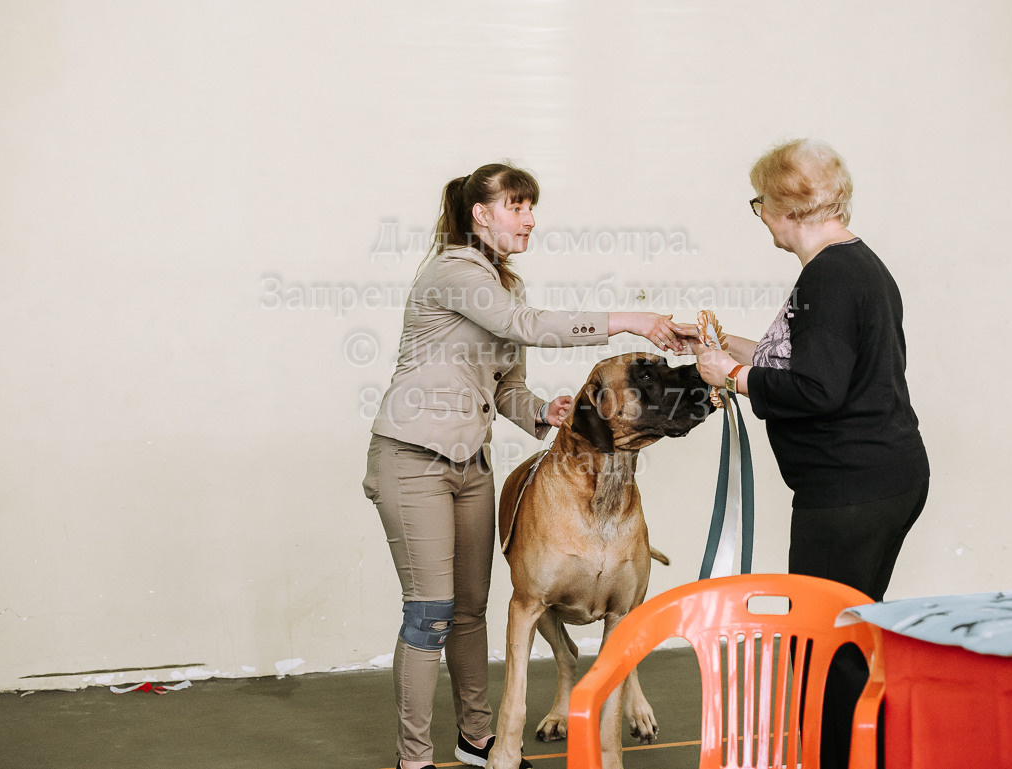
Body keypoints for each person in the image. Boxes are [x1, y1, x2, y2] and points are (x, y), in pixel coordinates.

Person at [362, 162, 690, 769]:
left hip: (471, 464)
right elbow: (527, 328)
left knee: (470, 612)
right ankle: (414, 758)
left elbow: (507, 386)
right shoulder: (453, 271)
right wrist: (631, 321)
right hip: (412, 460)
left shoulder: (503, 288)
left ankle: (475, 738)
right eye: (517, 206)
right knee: (430, 613)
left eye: (531, 207)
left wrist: (544, 412)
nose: (530, 219)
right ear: (480, 214)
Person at [689, 139, 929, 768]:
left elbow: (817, 389)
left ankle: (840, 759)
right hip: (881, 476)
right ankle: (866, 753)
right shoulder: (853, 264)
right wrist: (723, 346)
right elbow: (809, 362)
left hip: (851, 489)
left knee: (823, 646)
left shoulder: (829, 276)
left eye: (760, 204)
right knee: (847, 634)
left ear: (786, 207)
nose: (761, 216)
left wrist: (731, 377)